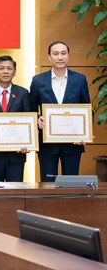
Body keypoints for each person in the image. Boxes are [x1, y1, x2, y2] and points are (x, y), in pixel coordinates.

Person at [29, 41, 91, 181]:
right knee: (47, 184)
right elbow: (31, 110)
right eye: (56, 54)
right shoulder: (38, 80)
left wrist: (85, 134)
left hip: (73, 143)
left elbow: (87, 109)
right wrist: (37, 119)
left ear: (68, 56)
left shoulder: (80, 79)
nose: (60, 57)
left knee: (71, 184)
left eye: (63, 53)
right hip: (47, 144)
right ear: (49, 57)